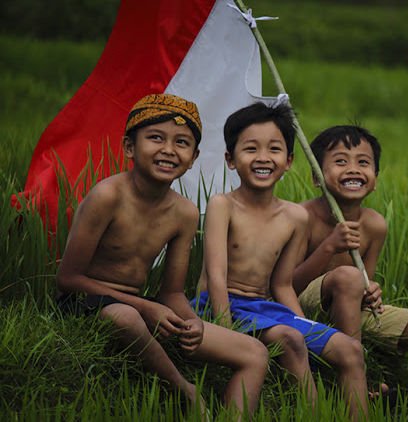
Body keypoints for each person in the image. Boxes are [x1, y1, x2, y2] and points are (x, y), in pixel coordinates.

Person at [56, 93, 269, 419]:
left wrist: (192, 322)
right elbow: (68, 279)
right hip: (86, 303)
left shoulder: (184, 212)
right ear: (130, 147)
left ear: (194, 156)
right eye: (155, 138)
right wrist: (145, 306)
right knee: (124, 316)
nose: (169, 150)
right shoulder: (107, 196)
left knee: (254, 352)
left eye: (182, 142)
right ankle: (185, 389)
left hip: (143, 306)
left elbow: (171, 292)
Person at [190, 102, 370, 419]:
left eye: (274, 149)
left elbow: (282, 284)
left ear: (288, 161)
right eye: (250, 149)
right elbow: (215, 276)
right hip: (220, 305)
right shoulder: (223, 205)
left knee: (350, 350)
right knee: (288, 338)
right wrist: (227, 331)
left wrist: (304, 324)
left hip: (264, 309)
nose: (263, 157)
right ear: (231, 160)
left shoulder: (295, 217)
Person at [293, 125, 408, 421]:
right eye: (340, 161)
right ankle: (357, 387)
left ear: (375, 179)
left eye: (363, 162)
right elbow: (285, 284)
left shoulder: (374, 225)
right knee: (348, 277)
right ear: (316, 176)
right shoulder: (302, 217)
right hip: (301, 306)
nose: (353, 169)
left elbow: (363, 285)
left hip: (346, 305)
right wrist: (328, 247)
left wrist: (370, 292)